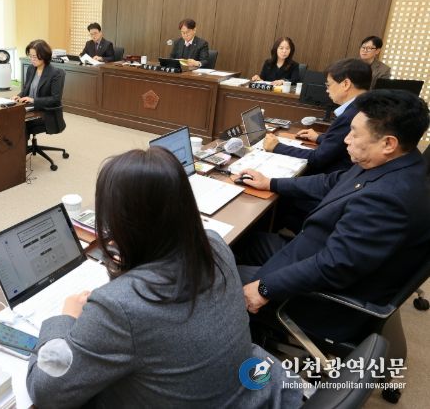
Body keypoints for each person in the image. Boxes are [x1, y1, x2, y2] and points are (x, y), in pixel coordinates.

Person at [26, 147, 301, 408]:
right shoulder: (213, 244)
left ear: (118, 221)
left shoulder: (117, 307)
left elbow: (46, 391)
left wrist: (65, 318)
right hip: (248, 392)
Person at [235, 89, 430, 343]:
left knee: (220, 278)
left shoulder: (390, 199)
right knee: (244, 242)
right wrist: (271, 183)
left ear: (388, 143)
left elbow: (334, 266)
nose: (346, 139)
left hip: (323, 299)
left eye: (355, 134)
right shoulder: (395, 162)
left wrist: (264, 288)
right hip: (312, 249)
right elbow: (332, 182)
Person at [263, 58, 371, 175]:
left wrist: (277, 147)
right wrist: (319, 138)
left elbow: (317, 158)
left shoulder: (351, 116)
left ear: (346, 84)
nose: (327, 90)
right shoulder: (366, 105)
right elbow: (340, 144)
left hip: (334, 176)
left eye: (328, 85)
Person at [14, 39, 64, 135]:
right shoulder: (31, 68)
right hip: (29, 107)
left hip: (46, 111)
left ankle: (21, 145)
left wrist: (33, 100)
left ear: (44, 56)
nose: (32, 59)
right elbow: (26, 89)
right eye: (30, 56)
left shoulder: (56, 73)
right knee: (8, 118)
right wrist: (19, 96)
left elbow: (55, 99)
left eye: (35, 57)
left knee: (19, 124)